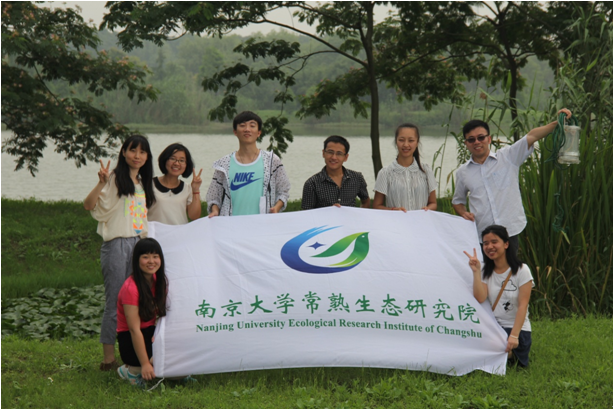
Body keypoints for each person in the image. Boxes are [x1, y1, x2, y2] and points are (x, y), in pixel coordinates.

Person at [452, 109, 572, 255]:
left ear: (489, 139)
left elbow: (532, 136)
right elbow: (457, 201)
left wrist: (557, 123)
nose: (476, 142)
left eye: (481, 137)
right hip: (482, 236)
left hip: (510, 232)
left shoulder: (508, 157)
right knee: (485, 270)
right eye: (471, 139)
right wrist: (464, 213)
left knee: (509, 269)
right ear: (466, 143)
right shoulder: (463, 172)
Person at [83, 134, 155, 371]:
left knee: (138, 299)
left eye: (142, 152)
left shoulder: (142, 183)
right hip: (116, 245)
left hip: (138, 245)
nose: (137, 156)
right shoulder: (114, 178)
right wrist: (101, 183)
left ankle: (134, 354)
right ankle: (108, 359)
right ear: (124, 152)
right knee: (115, 300)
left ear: (147, 157)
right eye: (133, 150)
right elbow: (89, 205)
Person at [464, 225, 534, 368]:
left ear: (506, 244)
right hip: (494, 328)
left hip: (516, 330)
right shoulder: (486, 270)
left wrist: (514, 336)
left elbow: (523, 305)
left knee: (492, 349)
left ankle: (507, 354)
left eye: (494, 242)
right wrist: (476, 272)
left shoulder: (522, 270)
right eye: (485, 243)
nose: (489, 246)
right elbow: (480, 298)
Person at [206, 111, 290, 217]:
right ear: (235, 132)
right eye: (242, 125)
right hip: (231, 224)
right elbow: (213, 196)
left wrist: (276, 208)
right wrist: (215, 210)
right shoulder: (224, 164)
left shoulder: (271, 160)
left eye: (252, 126)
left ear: (259, 132)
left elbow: (283, 191)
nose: (247, 129)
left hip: (261, 224)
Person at [116, 238, 168, 387]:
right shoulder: (130, 288)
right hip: (131, 337)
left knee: (172, 358)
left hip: (150, 331)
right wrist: (145, 363)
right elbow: (134, 329)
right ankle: (132, 371)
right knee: (158, 364)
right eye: (145, 257)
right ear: (137, 260)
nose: (151, 261)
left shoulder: (158, 280)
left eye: (155, 256)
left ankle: (150, 364)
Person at [373, 123, 437, 212]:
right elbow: (376, 206)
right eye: (401, 140)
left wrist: (427, 209)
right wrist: (393, 210)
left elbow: (433, 203)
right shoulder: (385, 173)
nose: (406, 144)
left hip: (421, 220)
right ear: (396, 142)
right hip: (395, 220)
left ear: (417, 142)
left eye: (411, 140)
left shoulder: (426, 170)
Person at [301, 135, 370, 209]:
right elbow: (307, 212)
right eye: (330, 152)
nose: (334, 157)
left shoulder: (357, 178)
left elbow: (365, 201)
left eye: (339, 154)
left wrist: (357, 214)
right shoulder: (312, 183)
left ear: (346, 157)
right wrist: (330, 211)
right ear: (323, 153)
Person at [148, 143, 203, 224]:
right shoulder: (149, 185)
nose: (177, 163)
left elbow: (194, 216)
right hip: (154, 231)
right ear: (165, 160)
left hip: (179, 231)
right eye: (173, 159)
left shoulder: (188, 189)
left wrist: (196, 190)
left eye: (181, 160)